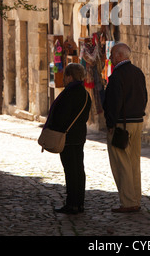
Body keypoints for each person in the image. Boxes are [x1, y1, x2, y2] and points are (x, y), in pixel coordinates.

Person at [103, 43, 147, 213]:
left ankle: (128, 202)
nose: (111, 58)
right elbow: (145, 96)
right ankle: (135, 199)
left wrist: (110, 124)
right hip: (137, 121)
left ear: (120, 56)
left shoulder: (117, 76)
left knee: (122, 162)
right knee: (134, 162)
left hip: (122, 124)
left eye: (113, 55)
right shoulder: (138, 73)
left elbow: (114, 102)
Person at [44, 62, 91, 214]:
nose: (63, 79)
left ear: (70, 77)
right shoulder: (84, 93)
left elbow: (62, 115)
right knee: (79, 169)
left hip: (67, 137)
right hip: (79, 136)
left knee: (70, 170)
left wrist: (55, 127)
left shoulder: (69, 93)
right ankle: (79, 203)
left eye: (65, 76)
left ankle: (72, 204)